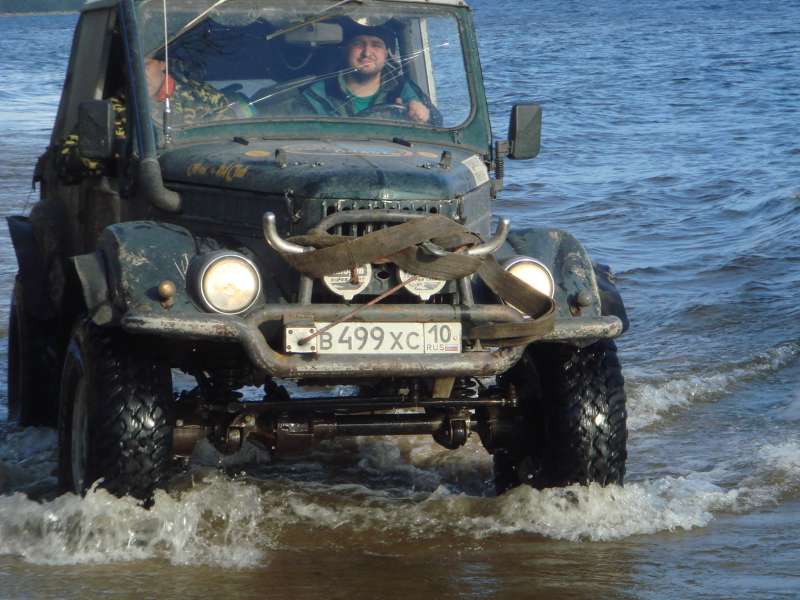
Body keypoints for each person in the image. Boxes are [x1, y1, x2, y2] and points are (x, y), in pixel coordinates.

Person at [58, 56, 239, 180]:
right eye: (132, 65)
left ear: (162, 63)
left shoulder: (206, 99)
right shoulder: (115, 109)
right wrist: (114, 155)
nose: (139, 72)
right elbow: (66, 160)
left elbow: (233, 141)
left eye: (145, 65)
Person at [301, 23, 440, 125]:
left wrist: (423, 117)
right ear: (346, 50)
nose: (367, 53)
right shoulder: (317, 95)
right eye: (358, 44)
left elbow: (436, 127)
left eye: (376, 45)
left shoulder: (403, 89)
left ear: (386, 54)